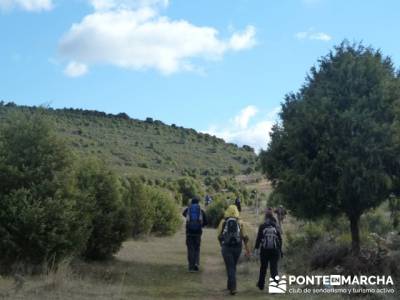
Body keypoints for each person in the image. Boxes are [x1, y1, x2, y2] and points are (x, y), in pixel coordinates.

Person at [217, 205, 250, 295]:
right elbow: (245, 237)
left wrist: (222, 245)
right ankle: (230, 286)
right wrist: (247, 249)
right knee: (232, 266)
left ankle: (233, 288)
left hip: (226, 247)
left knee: (230, 267)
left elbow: (219, 236)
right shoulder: (240, 222)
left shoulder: (223, 222)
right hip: (237, 248)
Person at [254, 209, 283, 291]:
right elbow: (280, 239)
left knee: (263, 268)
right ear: (272, 217)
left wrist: (256, 249)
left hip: (264, 250)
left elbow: (258, 238)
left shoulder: (262, 226)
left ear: (265, 217)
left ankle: (261, 284)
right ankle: (275, 287)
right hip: (275, 250)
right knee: (274, 268)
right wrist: (280, 250)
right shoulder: (276, 226)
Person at [182, 197, 207, 272]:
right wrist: (201, 225)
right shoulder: (200, 210)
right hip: (198, 233)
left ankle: (190, 266)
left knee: (190, 249)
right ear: (198, 203)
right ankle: (196, 263)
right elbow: (206, 222)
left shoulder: (188, 209)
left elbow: (183, 214)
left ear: (191, 202)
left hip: (189, 232)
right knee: (197, 248)